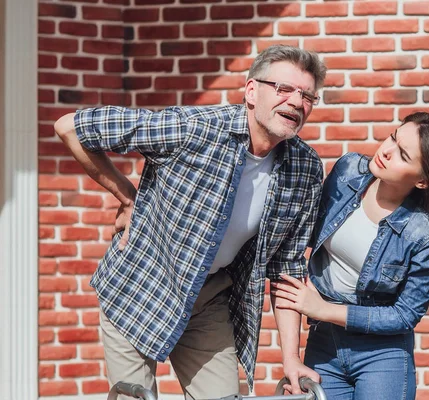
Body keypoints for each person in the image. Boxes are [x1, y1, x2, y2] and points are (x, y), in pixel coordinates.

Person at [53, 45, 326, 399]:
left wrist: (291, 358)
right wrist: (126, 195)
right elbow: (70, 127)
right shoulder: (193, 130)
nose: (295, 102)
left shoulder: (303, 168)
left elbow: (286, 270)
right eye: (283, 89)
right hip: (141, 285)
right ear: (251, 91)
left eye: (307, 96)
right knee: (136, 396)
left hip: (209, 296)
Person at [271, 112, 429, 400]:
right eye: (394, 137)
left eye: (403, 155)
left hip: (382, 357)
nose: (386, 151)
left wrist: (324, 310)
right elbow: (296, 242)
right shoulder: (347, 173)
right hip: (324, 344)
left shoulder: (424, 231)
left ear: (422, 181)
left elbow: (405, 315)